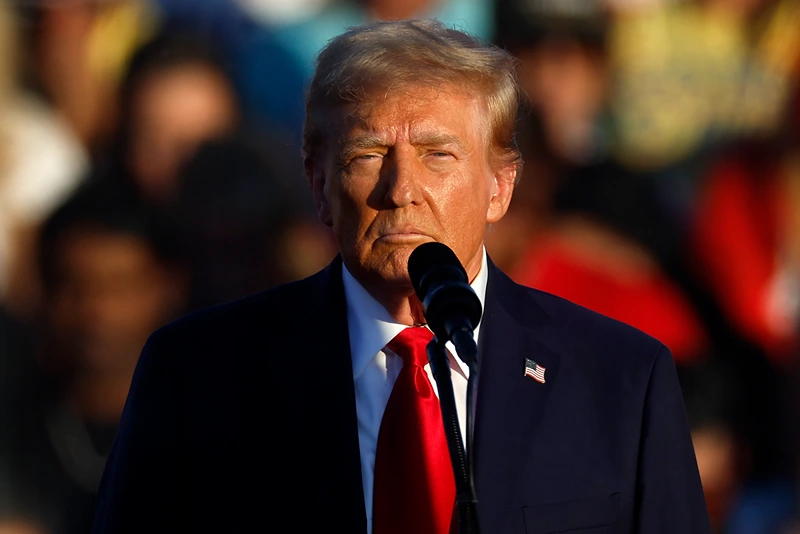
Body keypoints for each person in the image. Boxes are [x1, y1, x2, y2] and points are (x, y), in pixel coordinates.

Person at [92, 19, 711, 534]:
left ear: (500, 187)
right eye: (367, 157)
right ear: (318, 184)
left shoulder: (619, 380)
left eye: (437, 155)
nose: (401, 190)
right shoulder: (197, 375)